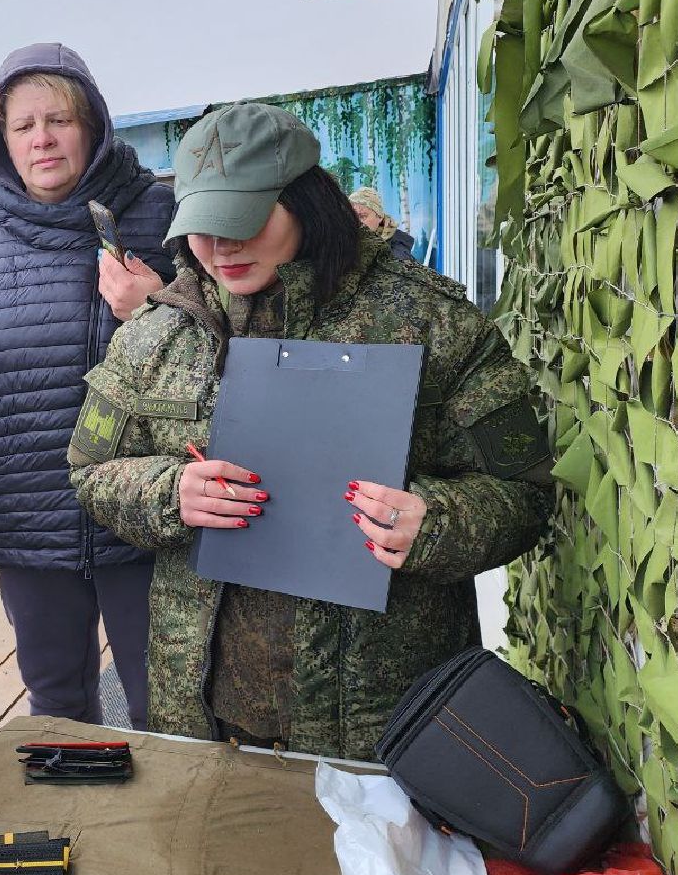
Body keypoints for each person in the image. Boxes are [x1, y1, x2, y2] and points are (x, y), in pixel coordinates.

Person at [69, 103, 554, 760]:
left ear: (307, 200)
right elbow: (91, 471)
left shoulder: (431, 323)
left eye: (244, 220)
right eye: (203, 227)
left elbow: (524, 490)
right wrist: (168, 491)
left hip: (385, 725)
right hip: (208, 717)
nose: (221, 248)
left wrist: (435, 521)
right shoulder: (159, 333)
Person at [0, 43, 174, 732]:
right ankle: (78, 832)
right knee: (58, 706)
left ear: (91, 122)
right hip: (28, 513)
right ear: (1, 140)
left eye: (58, 119)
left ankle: (168, 836)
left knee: (166, 699)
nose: (42, 139)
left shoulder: (158, 214)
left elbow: (225, 343)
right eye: (23, 125)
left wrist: (159, 305)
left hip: (146, 511)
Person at [349, 185, 415, 260]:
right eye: (353, 217)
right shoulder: (347, 239)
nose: (357, 222)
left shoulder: (398, 245)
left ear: (379, 217)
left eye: (363, 216)